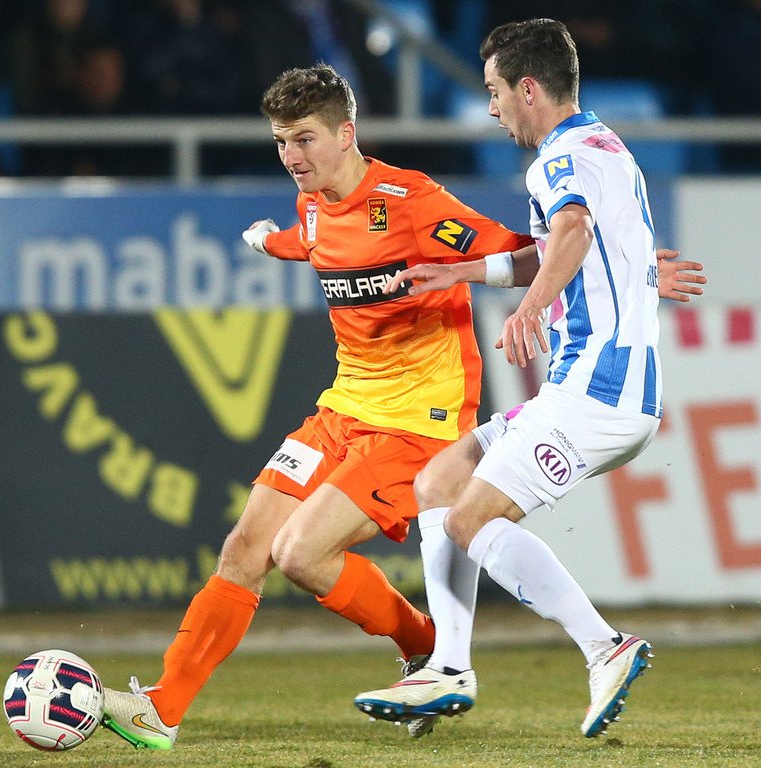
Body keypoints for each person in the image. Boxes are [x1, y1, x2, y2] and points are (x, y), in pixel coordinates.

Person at [98, 62, 535, 750]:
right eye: (280, 141)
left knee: (300, 554)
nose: (291, 156)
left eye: (304, 139)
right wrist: (264, 241)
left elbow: (525, 254)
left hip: (417, 425)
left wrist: (620, 271)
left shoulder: (413, 202)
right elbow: (306, 242)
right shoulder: (311, 206)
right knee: (245, 548)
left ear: (346, 133)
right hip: (341, 412)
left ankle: (427, 647)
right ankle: (161, 709)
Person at [353, 18, 704, 739]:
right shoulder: (605, 146)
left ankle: (604, 647)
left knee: (470, 520)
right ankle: (448, 668)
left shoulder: (556, 160)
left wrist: (531, 308)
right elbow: (565, 246)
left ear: (530, 88)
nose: (491, 108)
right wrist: (461, 271)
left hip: (596, 391)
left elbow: (571, 233)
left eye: (494, 91)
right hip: (603, 388)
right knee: (440, 482)